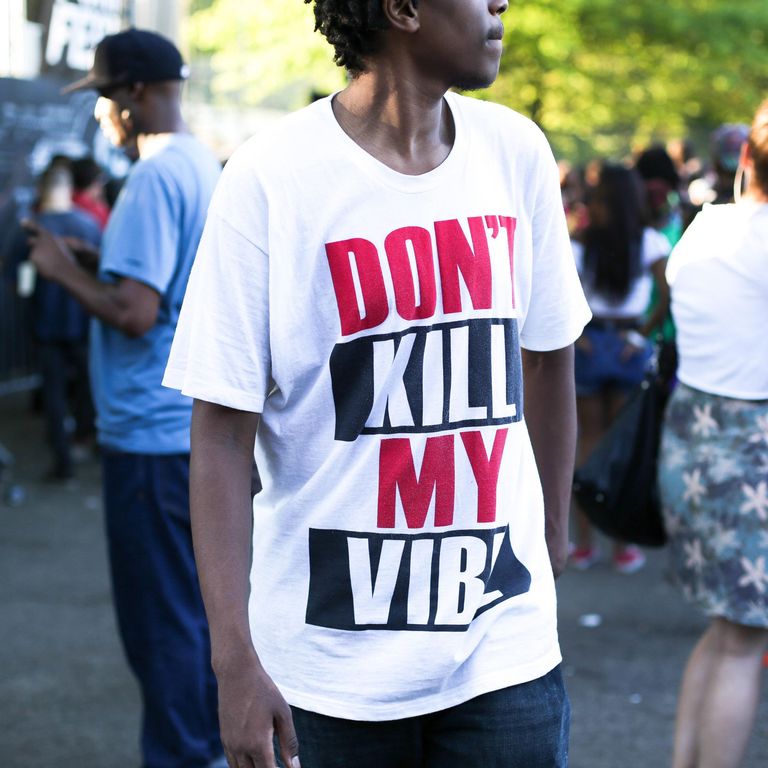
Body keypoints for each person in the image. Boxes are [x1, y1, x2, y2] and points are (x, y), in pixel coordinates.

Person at [164, 1, 591, 767]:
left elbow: (550, 351)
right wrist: (234, 662)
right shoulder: (272, 177)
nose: (501, 3)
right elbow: (221, 435)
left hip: (504, 658)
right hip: (326, 675)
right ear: (401, 8)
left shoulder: (515, 152)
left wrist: (553, 524)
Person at [25, 28, 224, 768]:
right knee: (196, 614)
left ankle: (184, 755)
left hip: (147, 432)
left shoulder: (149, 177)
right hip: (190, 426)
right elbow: (164, 287)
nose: (103, 113)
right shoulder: (202, 163)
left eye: (107, 96)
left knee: (160, 623)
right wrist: (96, 260)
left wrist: (57, 266)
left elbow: (136, 313)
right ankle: (207, 747)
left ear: (137, 94)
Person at [658, 99, 768, 768]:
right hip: (749, 453)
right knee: (742, 643)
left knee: (722, 635)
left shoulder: (705, 227)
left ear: (746, 158)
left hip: (691, 440)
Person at [569, 163, 670, 573]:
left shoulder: (578, 242)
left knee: (586, 442)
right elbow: (666, 297)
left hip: (590, 342)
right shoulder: (650, 242)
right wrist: (641, 337)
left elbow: (557, 294)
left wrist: (579, 337)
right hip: (629, 346)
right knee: (622, 445)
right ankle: (622, 546)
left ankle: (584, 544)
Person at [4, 161, 100, 480]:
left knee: (54, 393)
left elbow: (20, 282)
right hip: (85, 321)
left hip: (46, 325)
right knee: (88, 386)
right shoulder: (89, 226)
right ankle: (86, 439)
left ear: (40, 191)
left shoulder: (31, 229)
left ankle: (63, 461)